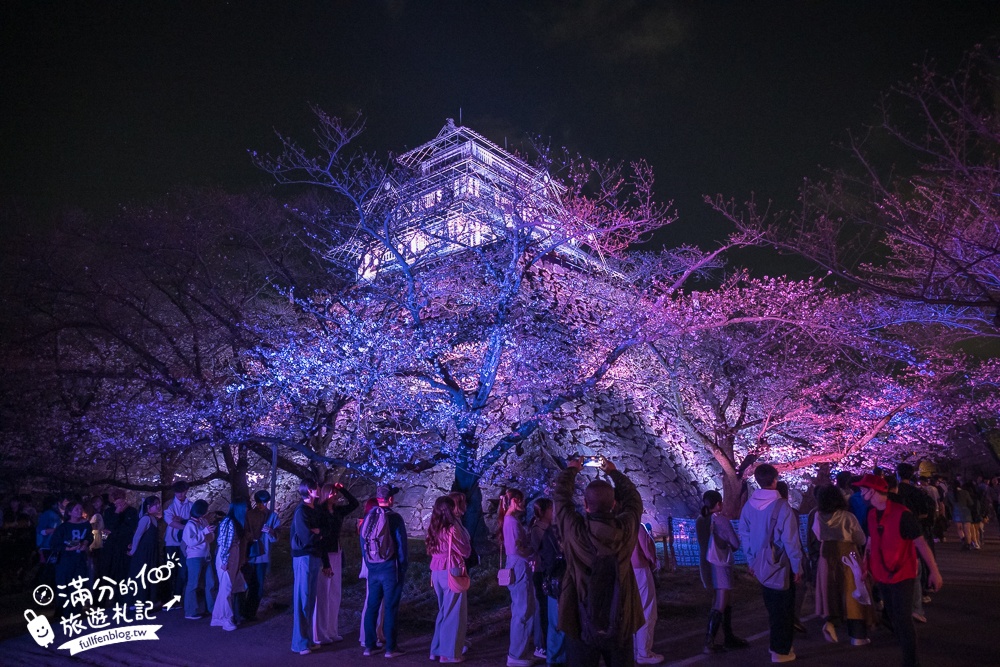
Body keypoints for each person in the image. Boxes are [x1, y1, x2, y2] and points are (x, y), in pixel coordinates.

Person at [553, 455, 643, 667]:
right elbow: (634, 501)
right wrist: (613, 472)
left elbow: (560, 499)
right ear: (613, 505)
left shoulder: (576, 532)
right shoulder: (626, 530)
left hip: (579, 616)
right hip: (621, 615)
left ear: (585, 504)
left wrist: (572, 470)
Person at [854, 474, 943, 667]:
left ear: (874, 491)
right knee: (894, 615)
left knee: (903, 619)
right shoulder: (870, 513)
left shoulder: (902, 514)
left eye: (863, 489)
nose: (860, 493)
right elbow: (870, 540)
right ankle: (905, 646)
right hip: (882, 573)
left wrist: (934, 572)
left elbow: (921, 544)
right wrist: (864, 564)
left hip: (903, 573)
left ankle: (911, 662)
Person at [738, 464, 804, 664]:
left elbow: (745, 535)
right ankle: (781, 650)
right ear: (775, 480)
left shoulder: (749, 506)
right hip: (781, 564)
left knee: (772, 607)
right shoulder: (782, 506)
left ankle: (777, 645)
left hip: (761, 564)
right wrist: (797, 566)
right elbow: (791, 540)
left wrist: (751, 561)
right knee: (784, 608)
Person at [812, 485, 872, 646]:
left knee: (830, 590)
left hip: (826, 557)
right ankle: (857, 635)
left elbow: (817, 536)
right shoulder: (848, 516)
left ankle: (830, 622)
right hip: (848, 556)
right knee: (853, 592)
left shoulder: (818, 516)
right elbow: (861, 539)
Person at [696, 490, 747, 654]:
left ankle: (728, 637)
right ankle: (710, 642)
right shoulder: (721, 521)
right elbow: (735, 543)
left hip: (706, 564)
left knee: (724, 600)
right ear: (718, 504)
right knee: (722, 601)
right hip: (720, 565)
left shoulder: (701, 520)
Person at [360, 484, 408, 658]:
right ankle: (391, 648)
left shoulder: (369, 517)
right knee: (390, 607)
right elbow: (401, 545)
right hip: (390, 568)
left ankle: (369, 646)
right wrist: (403, 567)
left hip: (373, 568)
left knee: (372, 606)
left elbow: (362, 543)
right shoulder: (395, 518)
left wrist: (370, 564)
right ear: (390, 499)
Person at [427, 495, 472, 663]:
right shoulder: (452, 528)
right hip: (451, 569)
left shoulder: (434, 527)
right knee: (454, 612)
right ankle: (450, 653)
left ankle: (436, 649)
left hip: (436, 570)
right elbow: (465, 551)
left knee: (444, 610)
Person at [313, 481, 359, 645]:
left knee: (334, 593)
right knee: (323, 594)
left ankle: (332, 630)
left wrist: (342, 488)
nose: (336, 496)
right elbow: (320, 539)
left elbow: (354, 503)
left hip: (336, 552)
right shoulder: (319, 512)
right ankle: (319, 633)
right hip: (324, 555)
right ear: (326, 494)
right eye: (332, 493)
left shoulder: (338, 511)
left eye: (336, 493)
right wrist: (325, 563)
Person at [290, 479, 329, 655]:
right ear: (309, 490)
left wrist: (318, 532)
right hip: (303, 556)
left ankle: (308, 638)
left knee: (310, 598)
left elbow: (324, 529)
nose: (319, 490)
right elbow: (306, 536)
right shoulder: (301, 511)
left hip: (313, 555)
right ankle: (300, 642)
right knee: (302, 597)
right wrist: (318, 534)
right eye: (316, 488)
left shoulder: (314, 510)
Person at [499, 488, 536, 667]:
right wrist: (533, 554)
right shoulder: (512, 521)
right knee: (523, 609)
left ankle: (519, 652)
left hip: (515, 564)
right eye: (520, 500)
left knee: (521, 608)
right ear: (513, 501)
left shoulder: (509, 520)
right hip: (519, 565)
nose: (522, 504)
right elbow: (518, 548)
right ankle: (517, 654)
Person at [212, 499, 250, 632]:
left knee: (227, 588)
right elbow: (225, 544)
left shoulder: (234, 523)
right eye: (244, 508)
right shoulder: (229, 523)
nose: (246, 511)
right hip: (227, 557)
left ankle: (219, 617)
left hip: (232, 556)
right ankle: (226, 619)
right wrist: (224, 561)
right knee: (226, 588)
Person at [245, 489, 280, 621]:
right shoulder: (249, 515)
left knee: (258, 586)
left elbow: (277, 536)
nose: (262, 505)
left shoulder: (272, 516)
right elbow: (244, 532)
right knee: (246, 584)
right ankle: (244, 610)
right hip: (249, 554)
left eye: (264, 503)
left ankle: (250, 612)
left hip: (262, 554)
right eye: (260, 502)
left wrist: (270, 531)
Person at [632, 522, 663, 665]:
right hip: (640, 570)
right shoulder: (637, 526)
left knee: (632, 611)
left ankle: (634, 650)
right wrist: (655, 561)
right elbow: (647, 550)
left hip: (626, 572)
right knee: (647, 611)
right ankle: (644, 652)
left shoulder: (619, 522)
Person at [51, 499, 94, 601]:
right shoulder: (63, 527)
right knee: (65, 586)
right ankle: (63, 611)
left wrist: (86, 543)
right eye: (76, 509)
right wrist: (68, 548)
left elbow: (89, 536)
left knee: (78, 585)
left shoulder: (86, 525)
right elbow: (54, 544)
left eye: (80, 509)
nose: (79, 511)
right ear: (69, 512)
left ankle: (76, 610)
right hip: (65, 561)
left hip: (80, 560)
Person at [358, 497, 386, 651]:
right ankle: (367, 636)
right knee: (372, 601)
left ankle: (377, 633)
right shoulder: (371, 523)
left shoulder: (367, 523)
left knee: (376, 602)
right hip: (374, 564)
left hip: (370, 563)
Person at [182, 499, 216, 619]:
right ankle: (190, 611)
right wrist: (204, 532)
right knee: (193, 584)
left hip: (206, 555)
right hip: (194, 557)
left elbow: (209, 539)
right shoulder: (190, 525)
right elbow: (191, 542)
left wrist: (210, 533)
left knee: (210, 582)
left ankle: (212, 609)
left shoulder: (203, 521)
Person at [529, 498, 553, 662]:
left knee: (547, 607)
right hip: (540, 571)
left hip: (547, 570)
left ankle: (546, 643)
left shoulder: (547, 527)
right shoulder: (537, 529)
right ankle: (541, 644)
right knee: (542, 608)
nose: (554, 513)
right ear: (543, 511)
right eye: (551, 510)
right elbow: (540, 550)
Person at [127, 496, 162, 608]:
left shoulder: (154, 519)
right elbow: (137, 536)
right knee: (141, 576)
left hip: (151, 552)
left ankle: (149, 601)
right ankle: (138, 602)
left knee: (149, 576)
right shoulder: (145, 519)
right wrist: (133, 550)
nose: (158, 506)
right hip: (143, 553)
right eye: (155, 504)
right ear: (148, 507)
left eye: (158, 503)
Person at [163, 481, 193, 604]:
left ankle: (177, 598)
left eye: (183, 491)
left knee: (182, 571)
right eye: (178, 492)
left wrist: (182, 521)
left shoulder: (191, 505)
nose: (180, 494)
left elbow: (194, 521)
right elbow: (170, 521)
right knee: (170, 571)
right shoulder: (169, 505)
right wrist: (186, 524)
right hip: (171, 542)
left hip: (185, 542)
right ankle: (166, 598)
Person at [104, 489, 139, 583]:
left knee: (124, 571)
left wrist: (115, 531)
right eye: (116, 500)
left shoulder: (132, 511)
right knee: (109, 571)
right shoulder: (109, 511)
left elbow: (130, 527)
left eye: (121, 500)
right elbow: (109, 526)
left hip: (125, 543)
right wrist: (116, 513)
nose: (119, 503)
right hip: (112, 545)